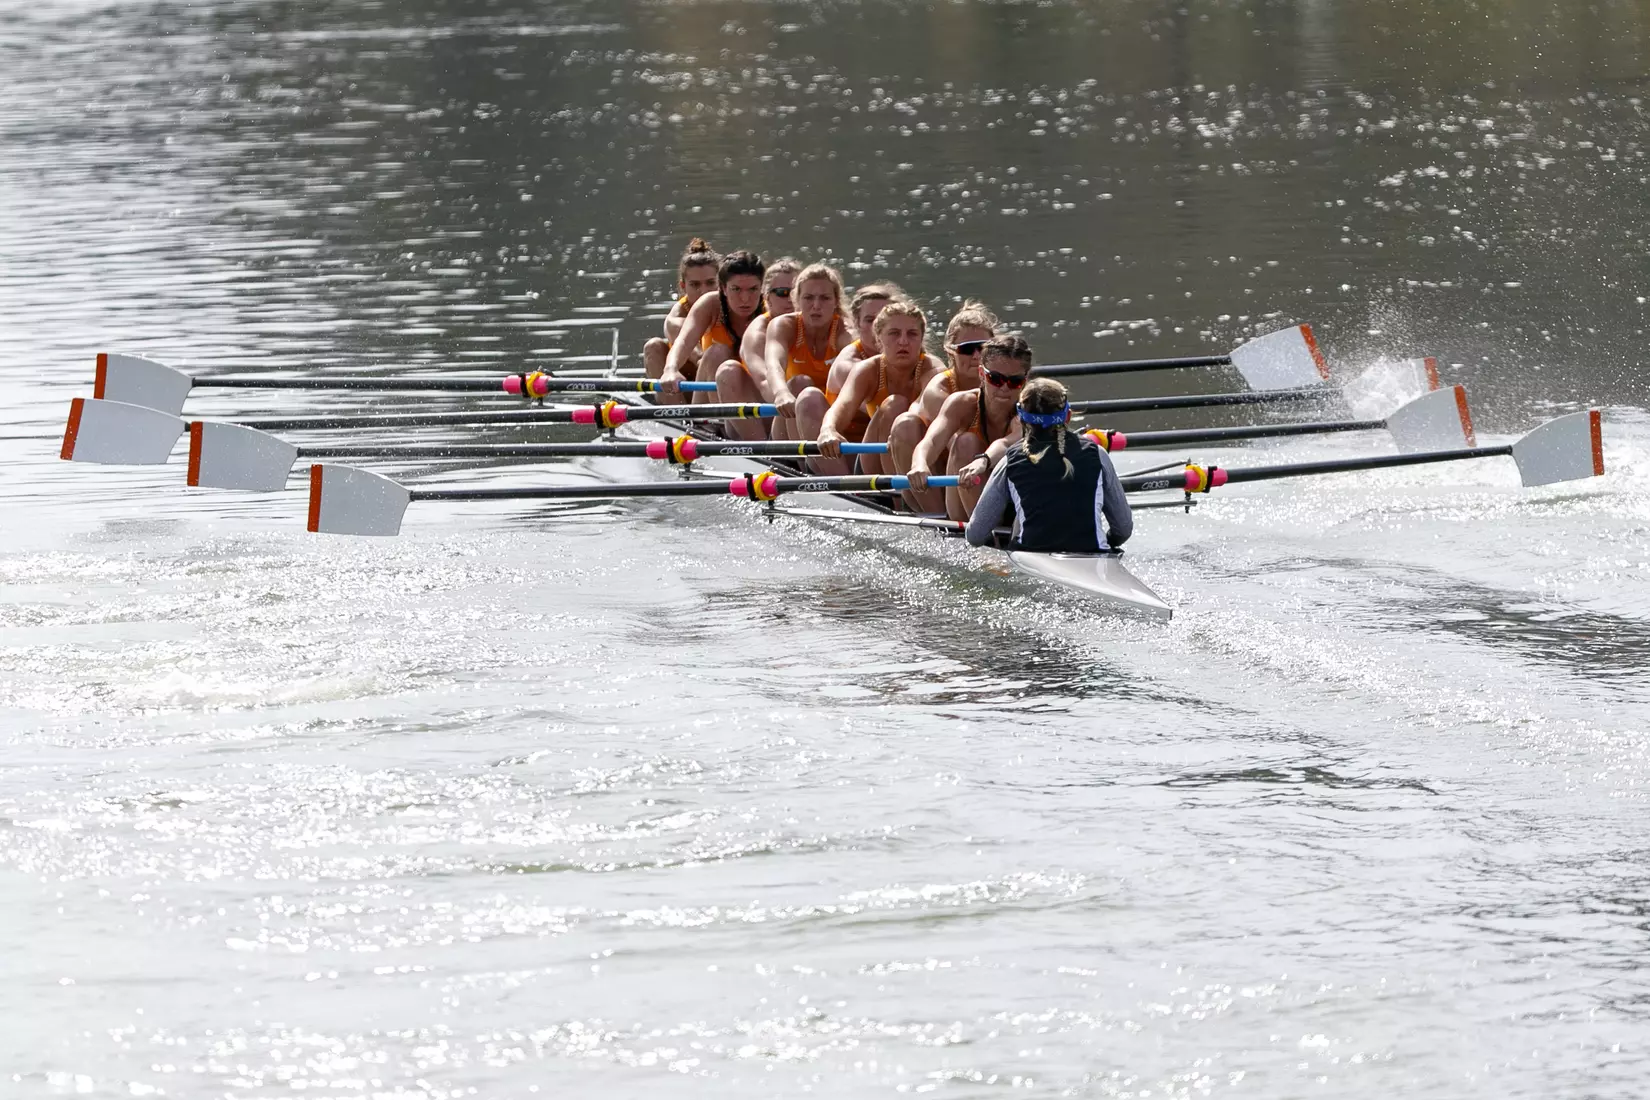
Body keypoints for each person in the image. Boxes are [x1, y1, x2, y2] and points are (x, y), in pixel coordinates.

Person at [964, 377, 1133, 553]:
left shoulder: (1009, 461)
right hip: (1094, 554)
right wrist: (1109, 541)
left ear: (1020, 417)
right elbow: (1123, 529)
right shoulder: (1098, 455)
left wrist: (997, 545)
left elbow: (975, 535)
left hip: (1030, 558)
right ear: (1068, 415)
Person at [814, 299, 945, 476]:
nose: (904, 341)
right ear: (879, 338)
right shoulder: (867, 370)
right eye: (894, 333)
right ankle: (894, 498)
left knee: (905, 419)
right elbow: (843, 405)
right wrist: (828, 429)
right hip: (873, 462)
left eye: (912, 334)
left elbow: (920, 407)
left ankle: (908, 496)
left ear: (921, 338)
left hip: (917, 458)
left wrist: (901, 433)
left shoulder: (933, 369)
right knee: (894, 404)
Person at [890, 300, 1000, 510]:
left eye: (984, 348)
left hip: (985, 466)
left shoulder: (1006, 383)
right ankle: (939, 516)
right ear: (950, 351)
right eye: (967, 349)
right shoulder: (939, 390)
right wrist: (920, 463)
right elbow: (952, 444)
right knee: (908, 425)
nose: (976, 356)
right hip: (943, 473)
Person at [905, 333, 1028, 519]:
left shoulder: (1029, 411)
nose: (1004, 388)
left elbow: (1006, 443)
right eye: (996, 379)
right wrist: (919, 463)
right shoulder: (962, 403)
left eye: (1014, 381)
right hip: (966, 502)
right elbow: (931, 441)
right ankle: (981, 534)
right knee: (966, 442)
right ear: (981, 374)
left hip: (1014, 499)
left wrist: (983, 461)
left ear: (1025, 381)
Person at [659, 250, 765, 408]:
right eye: (736, 289)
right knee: (717, 352)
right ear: (722, 288)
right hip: (712, 401)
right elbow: (683, 341)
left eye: (753, 289)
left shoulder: (770, 310)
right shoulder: (710, 304)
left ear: (763, 287)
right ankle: (709, 423)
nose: (745, 299)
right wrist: (670, 369)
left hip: (755, 395)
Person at [757, 263, 851, 441]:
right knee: (800, 384)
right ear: (797, 300)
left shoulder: (845, 333)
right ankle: (801, 461)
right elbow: (773, 364)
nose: (816, 306)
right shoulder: (784, 326)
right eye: (808, 298)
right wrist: (781, 393)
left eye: (824, 298)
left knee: (811, 397)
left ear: (836, 301)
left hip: (831, 421)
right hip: (789, 422)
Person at [717, 257, 802, 439]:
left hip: (804, 414)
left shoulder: (821, 324)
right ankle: (764, 453)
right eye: (782, 292)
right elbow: (765, 382)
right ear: (766, 296)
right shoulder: (758, 332)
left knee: (801, 384)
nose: (791, 300)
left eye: (797, 292)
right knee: (728, 371)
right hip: (764, 418)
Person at [644, 239, 721, 384]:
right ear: (683, 286)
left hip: (724, 380)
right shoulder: (676, 319)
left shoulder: (736, 305)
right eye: (695, 285)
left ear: (722, 282)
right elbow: (700, 359)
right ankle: (672, 405)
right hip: (687, 385)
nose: (704, 291)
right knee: (653, 347)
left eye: (710, 283)